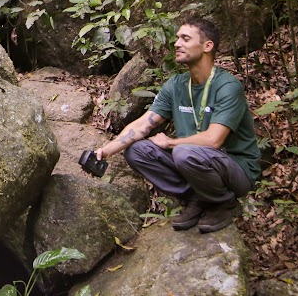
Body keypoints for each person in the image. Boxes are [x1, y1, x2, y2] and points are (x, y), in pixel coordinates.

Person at [95, 18, 261, 234]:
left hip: (236, 169)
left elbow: (214, 140)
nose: (177, 43)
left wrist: (171, 143)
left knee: (183, 152)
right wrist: (107, 151)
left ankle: (224, 203)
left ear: (207, 46)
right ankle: (198, 198)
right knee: (136, 151)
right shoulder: (176, 85)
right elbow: (144, 123)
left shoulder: (227, 86)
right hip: (195, 160)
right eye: (177, 38)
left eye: (185, 39)